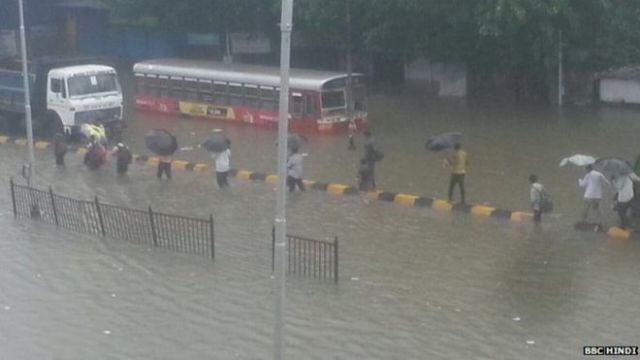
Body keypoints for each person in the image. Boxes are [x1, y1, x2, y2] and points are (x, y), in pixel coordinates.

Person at [579, 164, 610, 230]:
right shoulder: (599, 174)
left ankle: (582, 222)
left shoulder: (588, 175)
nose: (584, 170)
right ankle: (600, 223)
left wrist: (579, 180)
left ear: (587, 169)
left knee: (586, 209)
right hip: (598, 196)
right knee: (596, 209)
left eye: (584, 168)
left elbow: (582, 185)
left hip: (589, 195)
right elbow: (607, 183)